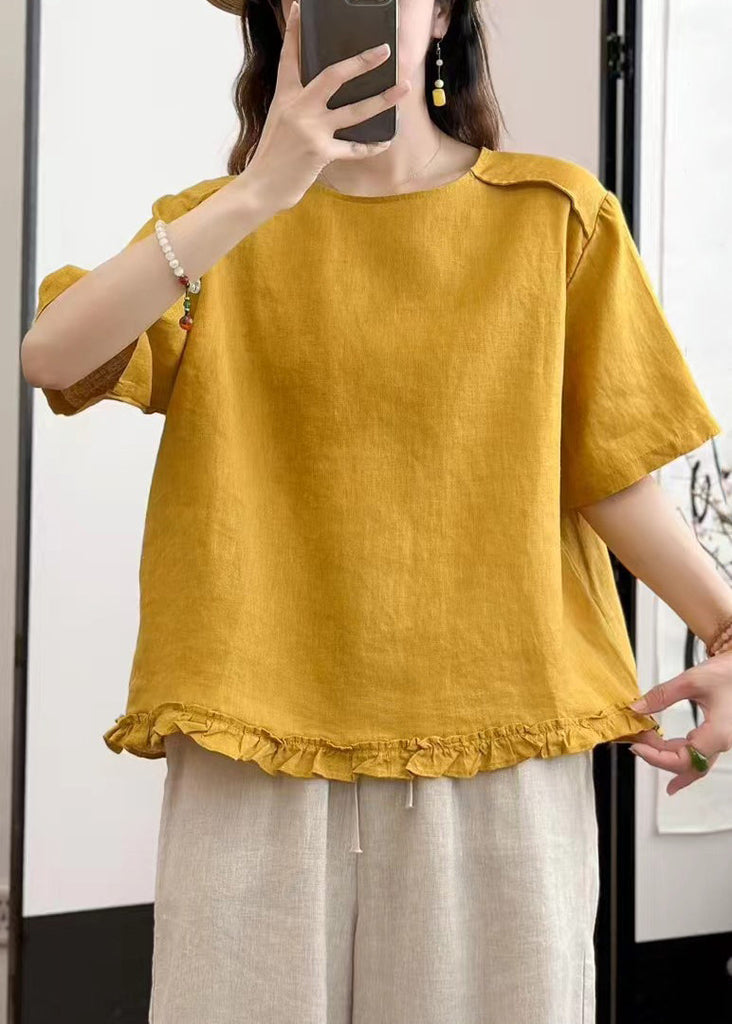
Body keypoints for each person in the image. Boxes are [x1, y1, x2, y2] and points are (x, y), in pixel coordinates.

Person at [20, 0, 732, 1021]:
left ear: (441, 13)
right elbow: (53, 357)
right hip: (253, 734)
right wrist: (259, 191)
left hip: (498, 732)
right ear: (280, 16)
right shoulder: (215, 228)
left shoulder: (555, 216)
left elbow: (609, 470)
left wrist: (726, 627)